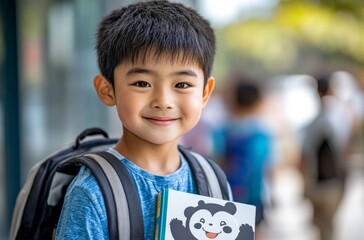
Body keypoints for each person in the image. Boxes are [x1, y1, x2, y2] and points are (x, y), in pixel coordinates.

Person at [55, 1, 223, 239]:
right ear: (107, 90)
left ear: (205, 93)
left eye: (182, 84)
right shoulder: (92, 192)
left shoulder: (212, 180)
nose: (163, 101)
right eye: (142, 83)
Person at [300, 74, 349, 240]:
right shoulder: (339, 116)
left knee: (325, 228)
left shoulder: (318, 120)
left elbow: (305, 155)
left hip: (322, 182)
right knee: (327, 228)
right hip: (333, 182)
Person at [221, 78, 273, 226]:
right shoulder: (263, 133)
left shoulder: (223, 130)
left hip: (227, 196)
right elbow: (268, 167)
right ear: (258, 102)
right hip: (255, 195)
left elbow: (218, 162)